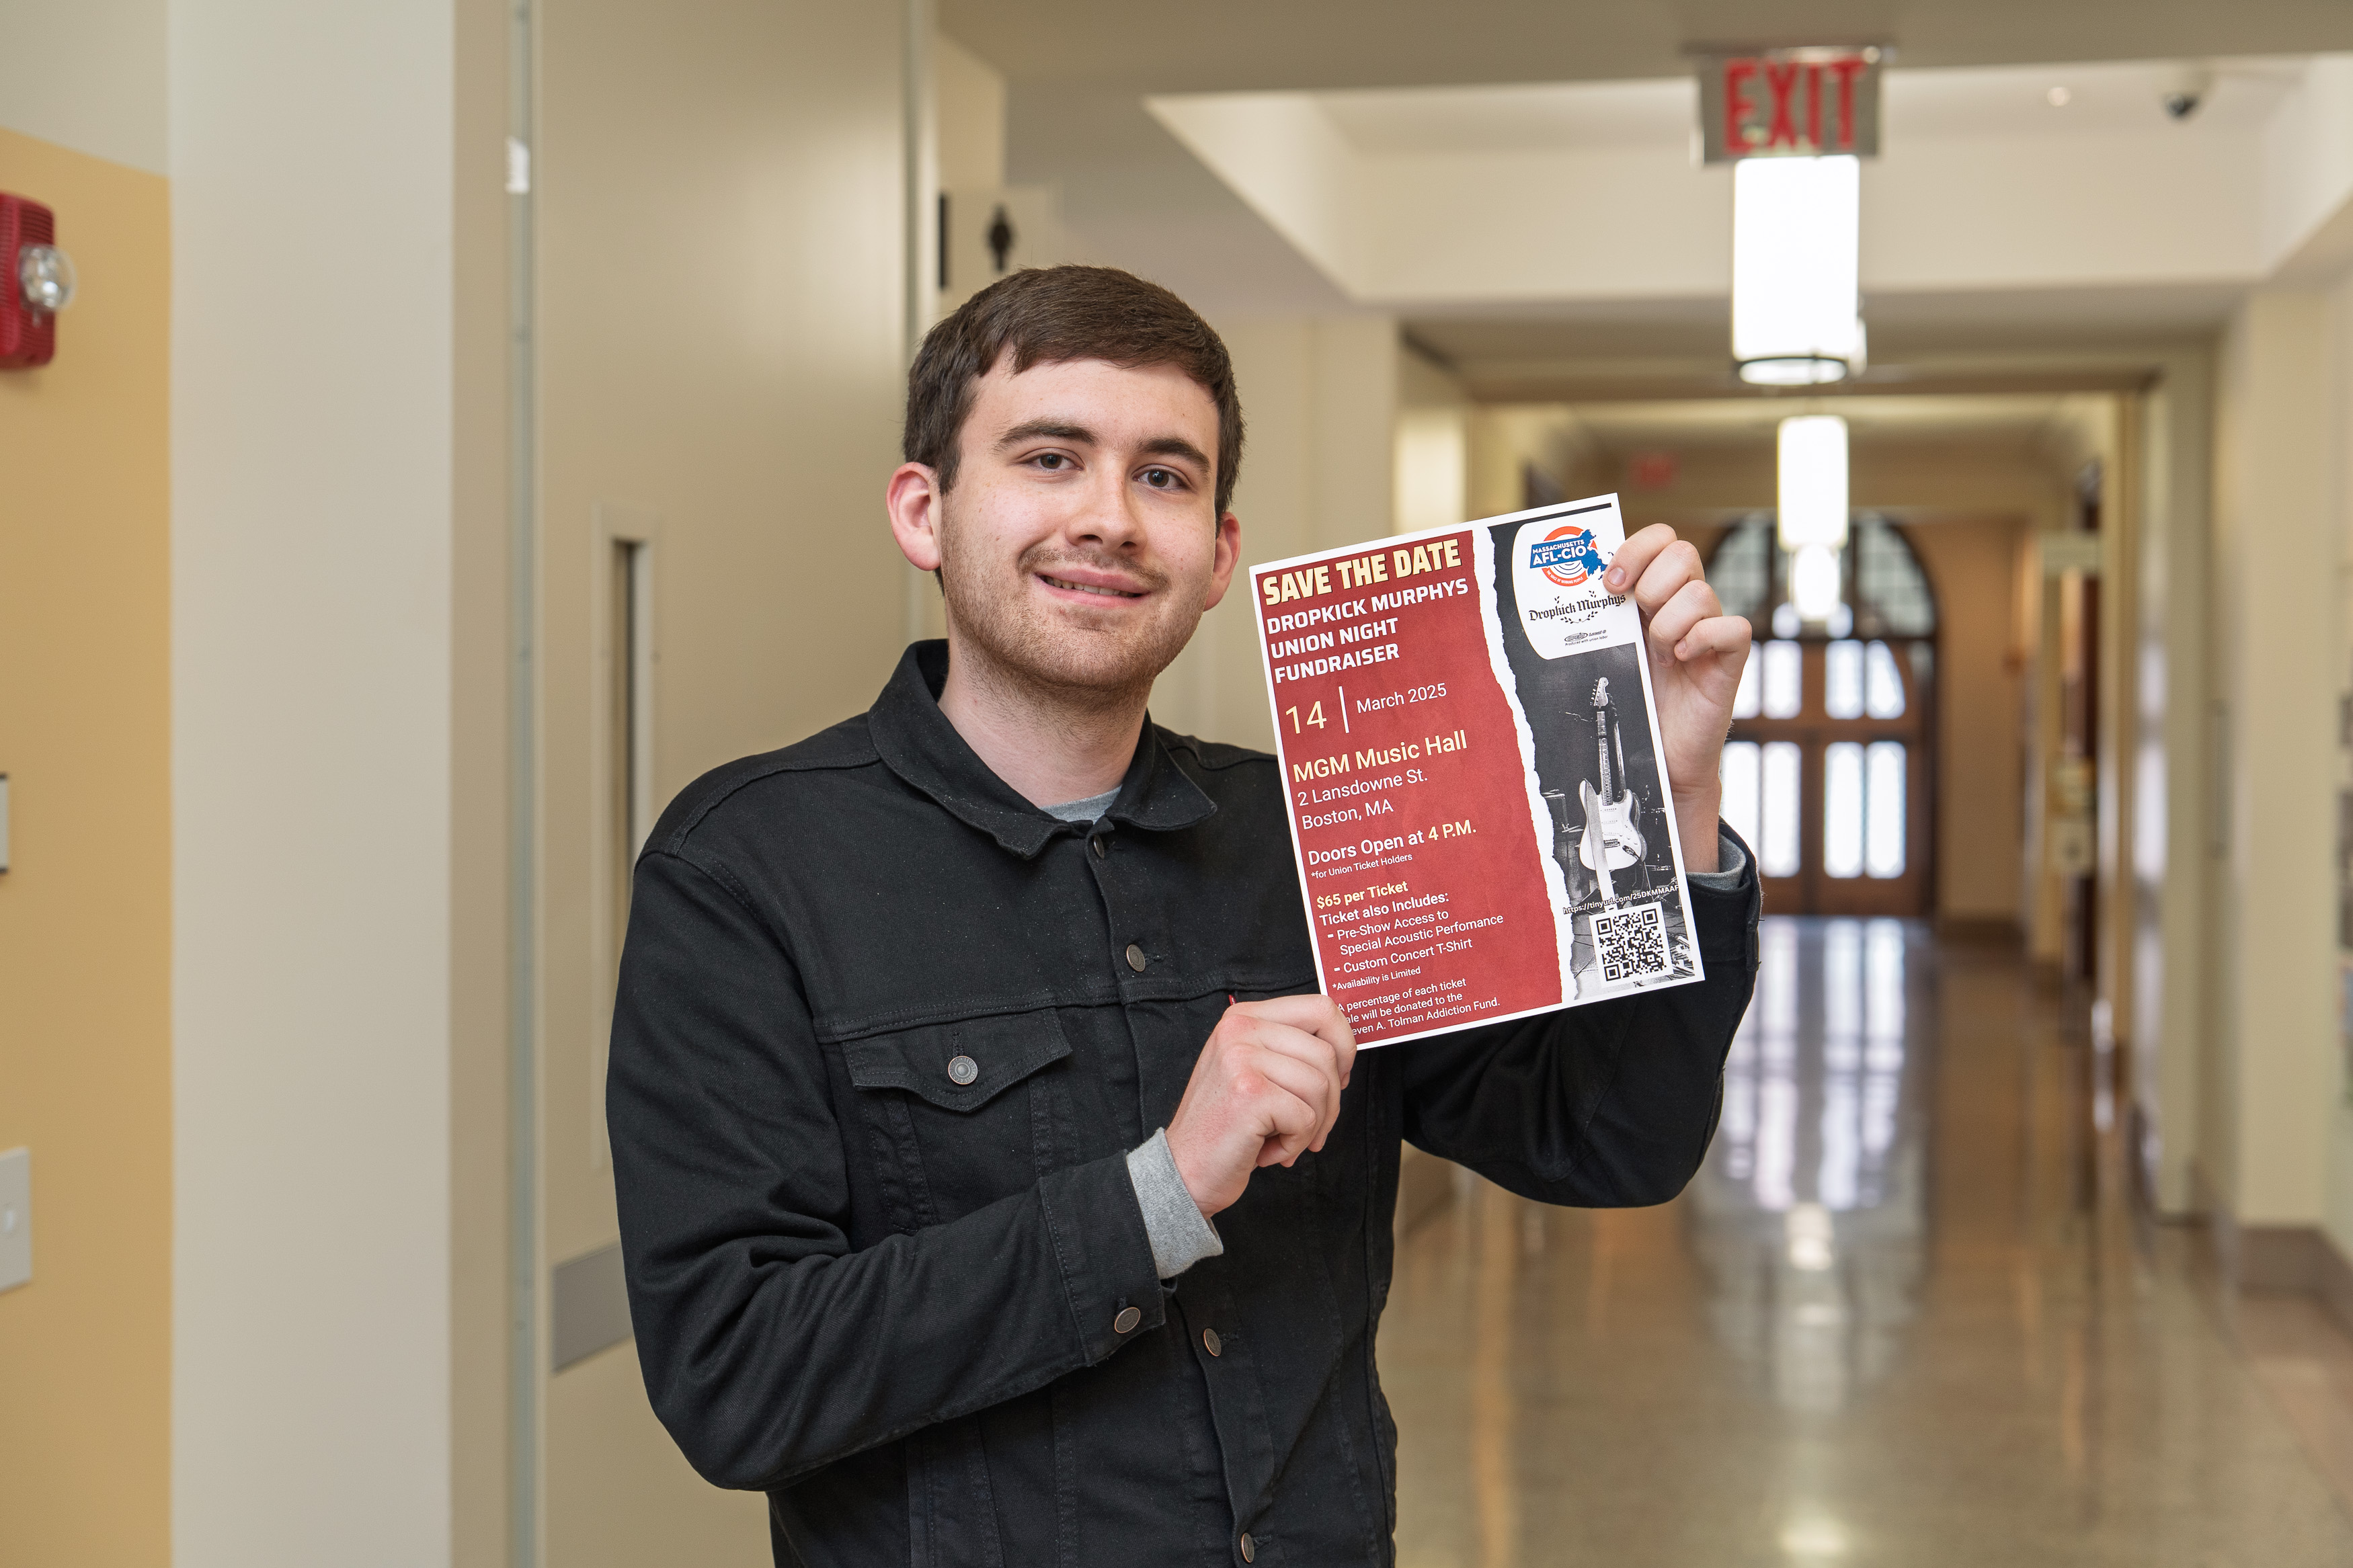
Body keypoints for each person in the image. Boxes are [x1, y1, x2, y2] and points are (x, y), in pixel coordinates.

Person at [608, 265, 1759, 1568]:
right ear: (924, 512)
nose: (1108, 518)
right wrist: (1159, 1192)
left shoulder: (1318, 836)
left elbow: (1609, 1140)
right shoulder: (749, 869)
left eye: (1164, 475)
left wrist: (1671, 803)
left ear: (1216, 555)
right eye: (1050, 458)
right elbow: (736, 1377)